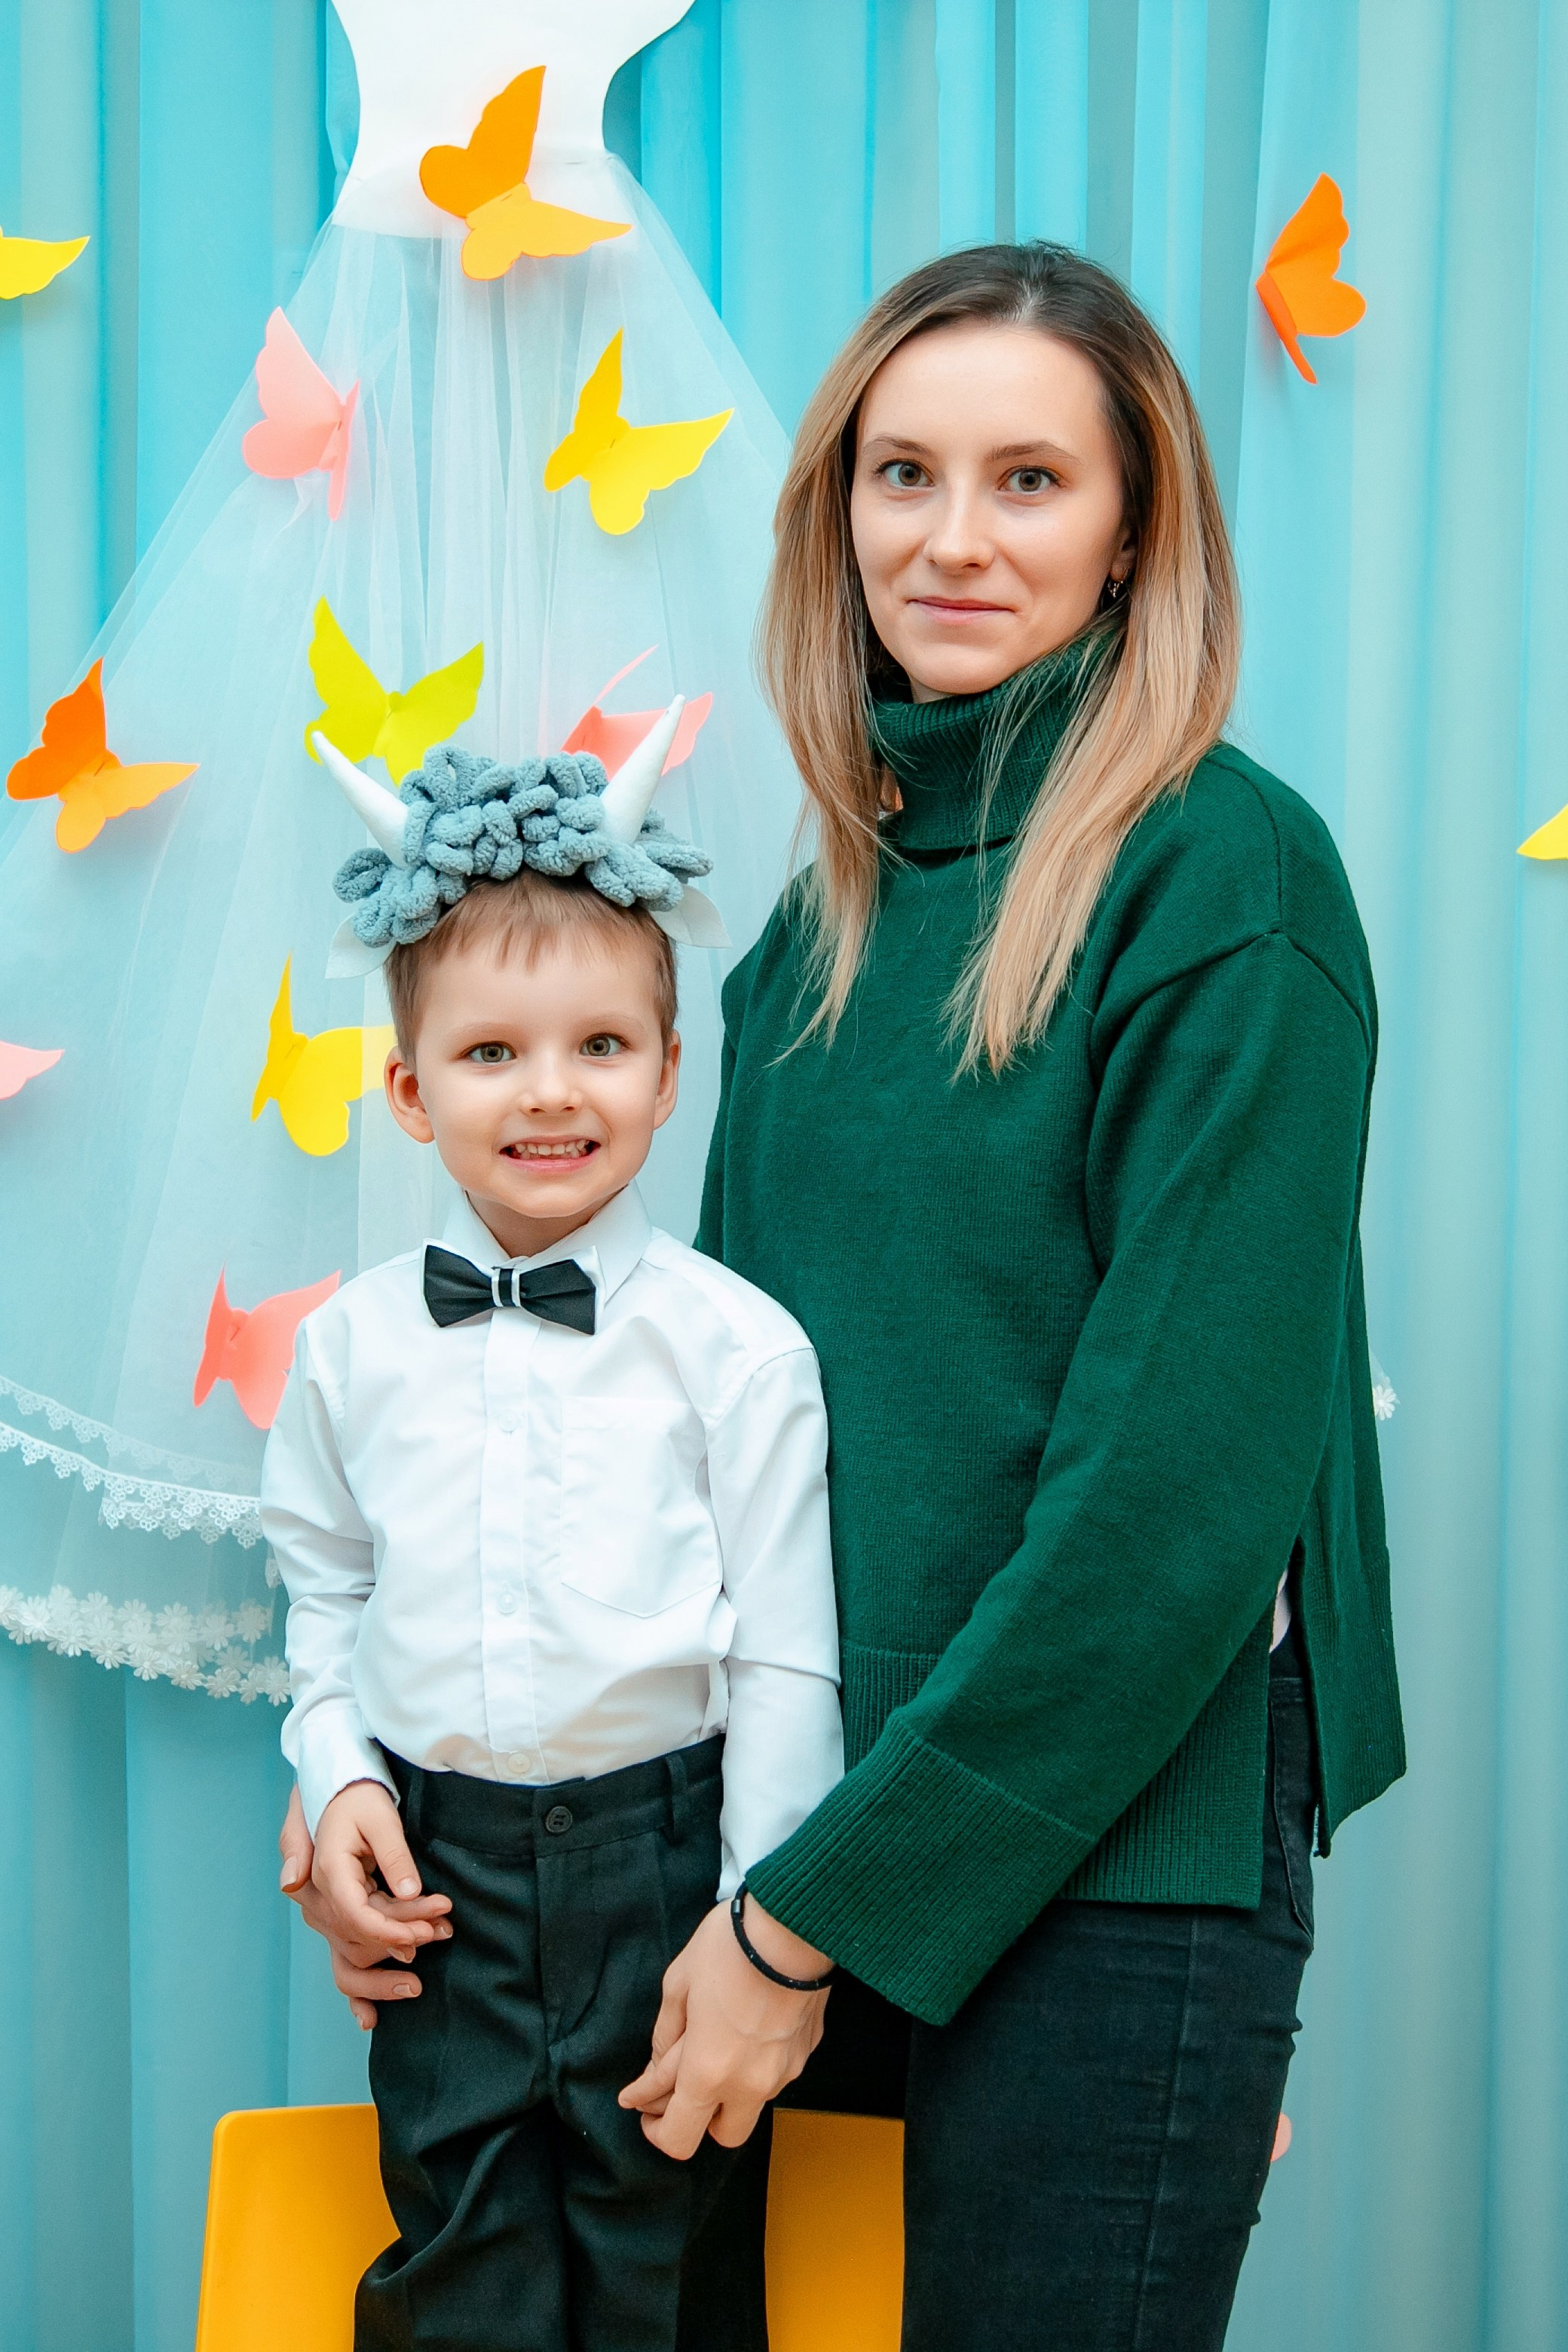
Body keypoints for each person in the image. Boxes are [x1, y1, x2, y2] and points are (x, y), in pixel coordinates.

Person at [287, 240, 1405, 2352]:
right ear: (839, 512)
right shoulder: (819, 936)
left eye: (1029, 482)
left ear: (1133, 529)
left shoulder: (1226, 883)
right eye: (904, 475)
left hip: (1101, 1858)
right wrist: (384, 1774)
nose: (954, 539)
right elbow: (668, 1460)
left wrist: (814, 1928)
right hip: (788, 1837)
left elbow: (1171, 1513)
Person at [261, 716, 842, 2352]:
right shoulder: (347, 1349)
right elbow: (323, 1593)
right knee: (457, 2266)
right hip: (443, 1873)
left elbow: (787, 1657)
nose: (550, 1093)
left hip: (667, 1864)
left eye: (600, 1044)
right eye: (492, 1052)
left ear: (667, 1071)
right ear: (407, 1086)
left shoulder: (740, 1349)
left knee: (673, 2267)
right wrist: (343, 1779)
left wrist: (752, 1919)